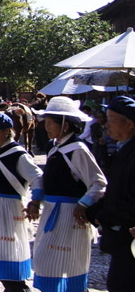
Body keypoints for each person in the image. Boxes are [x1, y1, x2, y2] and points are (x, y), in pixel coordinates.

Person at [32, 96, 106, 292]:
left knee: (69, 262)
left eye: (50, 123)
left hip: (70, 216)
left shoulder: (78, 150)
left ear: (65, 125)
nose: (46, 126)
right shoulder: (53, 146)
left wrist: (83, 204)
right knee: (45, 261)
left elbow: (98, 182)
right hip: (51, 212)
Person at [0, 112, 43, 292]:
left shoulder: (19, 155)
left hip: (8, 209)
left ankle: (18, 287)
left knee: (9, 250)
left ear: (7, 132)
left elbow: (37, 178)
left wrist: (35, 202)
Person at [97, 96, 135, 291]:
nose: (107, 125)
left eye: (111, 120)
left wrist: (104, 215)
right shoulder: (124, 149)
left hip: (128, 238)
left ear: (129, 123)